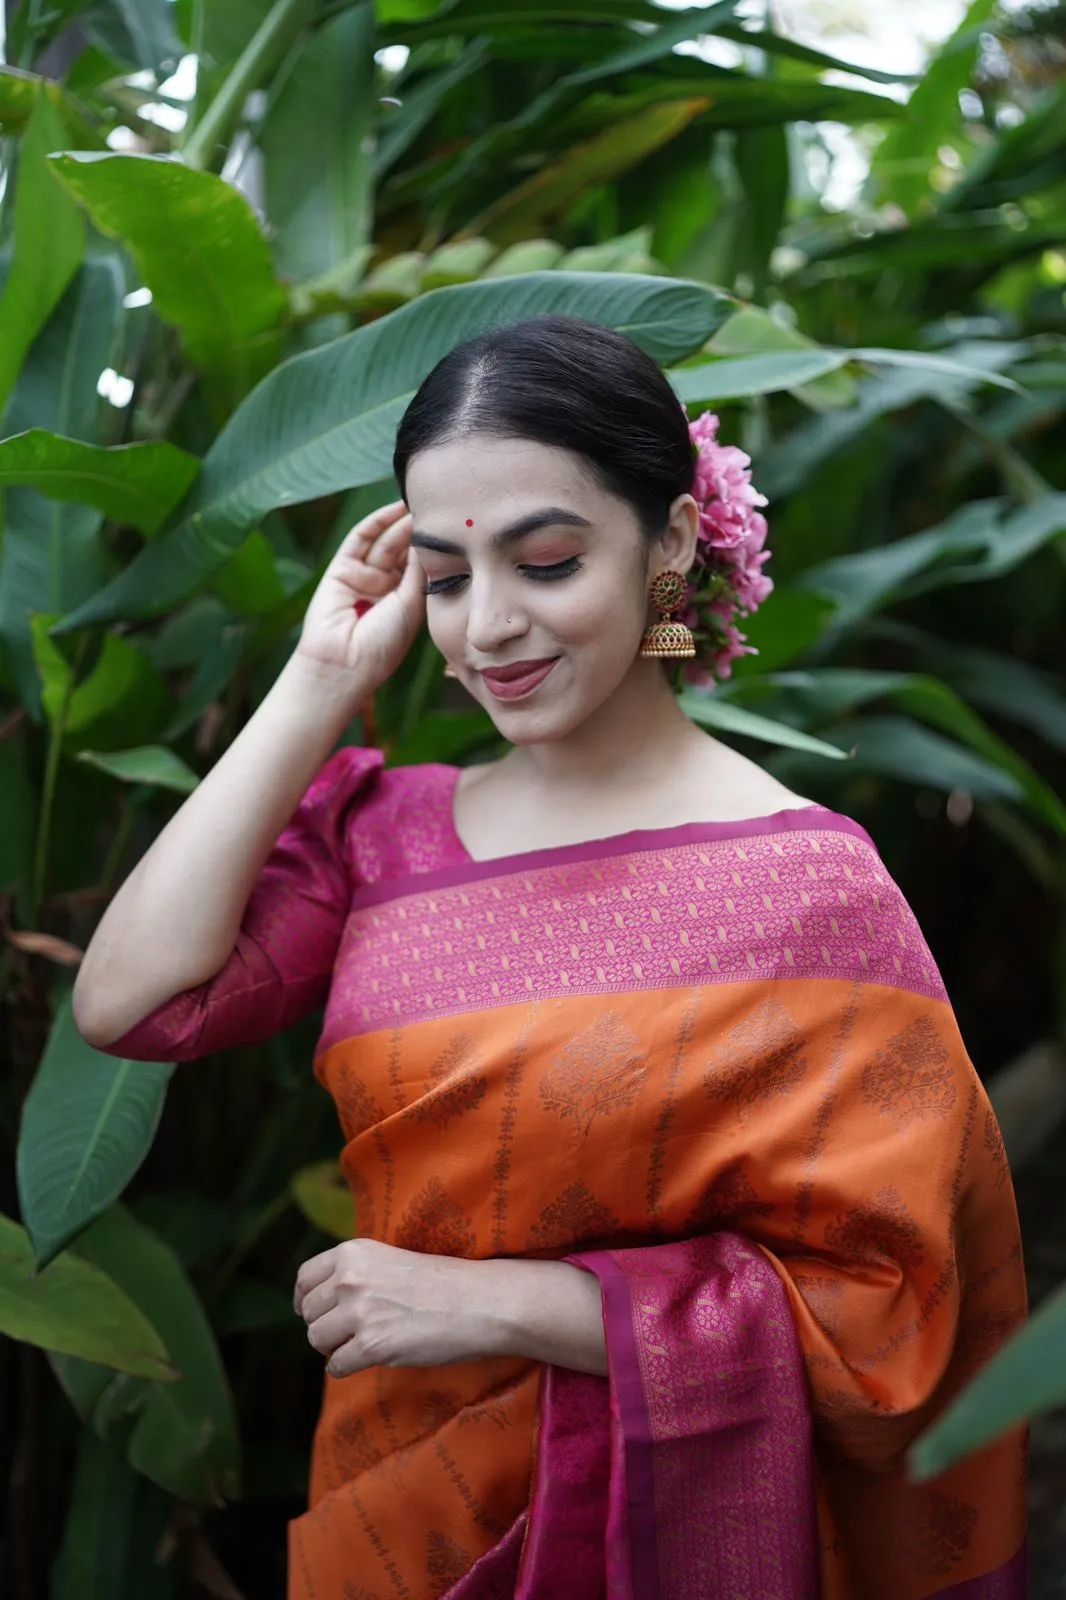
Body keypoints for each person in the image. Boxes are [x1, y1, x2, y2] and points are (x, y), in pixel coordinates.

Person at [74, 316, 1027, 1600]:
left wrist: (506, 1305)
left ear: (673, 541)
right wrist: (314, 678)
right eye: (451, 576)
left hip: (660, 1534)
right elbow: (130, 1003)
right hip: (400, 1511)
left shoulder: (811, 888)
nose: (492, 628)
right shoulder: (383, 834)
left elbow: (892, 1313)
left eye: (548, 559)